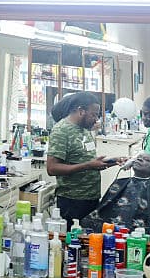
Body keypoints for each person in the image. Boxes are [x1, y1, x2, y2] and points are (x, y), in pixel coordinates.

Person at [80, 151, 150, 236]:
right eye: (138, 157)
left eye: (146, 160)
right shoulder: (119, 183)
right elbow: (104, 208)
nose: (140, 159)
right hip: (114, 231)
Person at [45, 92, 113, 222]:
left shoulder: (84, 129)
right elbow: (52, 168)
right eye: (94, 114)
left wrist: (111, 162)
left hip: (90, 198)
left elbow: (86, 159)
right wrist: (88, 166)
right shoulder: (61, 131)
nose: (96, 119)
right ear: (81, 111)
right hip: (72, 201)